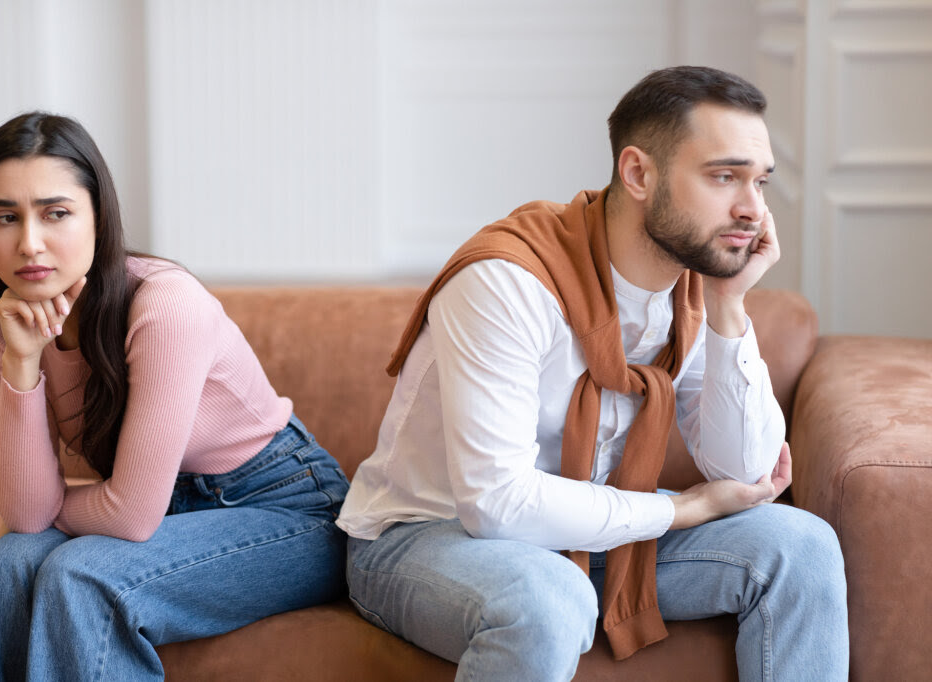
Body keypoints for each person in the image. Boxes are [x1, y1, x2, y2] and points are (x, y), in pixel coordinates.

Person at [336, 66, 848, 681]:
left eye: (759, 182)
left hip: (588, 532)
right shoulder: (507, 281)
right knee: (547, 598)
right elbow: (497, 505)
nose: (752, 211)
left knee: (803, 547)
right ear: (638, 174)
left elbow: (743, 475)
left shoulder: (688, 288)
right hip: (429, 537)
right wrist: (678, 511)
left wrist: (729, 306)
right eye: (724, 177)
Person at [0, 112, 350, 681]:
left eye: (56, 213)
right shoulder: (9, 324)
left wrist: (54, 507)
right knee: (10, 562)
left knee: (82, 574)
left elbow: (129, 516)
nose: (29, 243)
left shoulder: (164, 303)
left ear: (99, 217)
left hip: (288, 510)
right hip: (171, 510)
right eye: (4, 217)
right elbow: (25, 519)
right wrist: (23, 361)